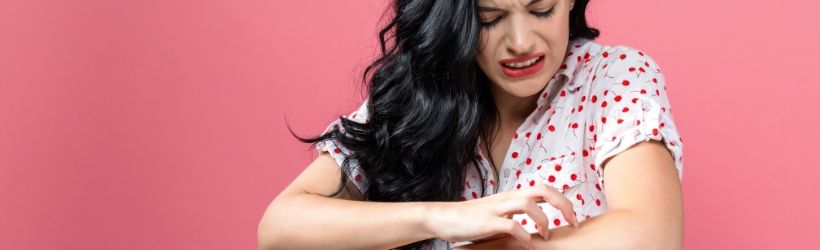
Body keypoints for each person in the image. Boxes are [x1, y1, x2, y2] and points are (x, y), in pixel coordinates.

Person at [258, 0, 684, 249]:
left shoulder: (611, 77)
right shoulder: (420, 95)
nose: (522, 42)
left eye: (541, 9)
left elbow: (653, 233)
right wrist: (442, 218)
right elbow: (281, 227)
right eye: (490, 17)